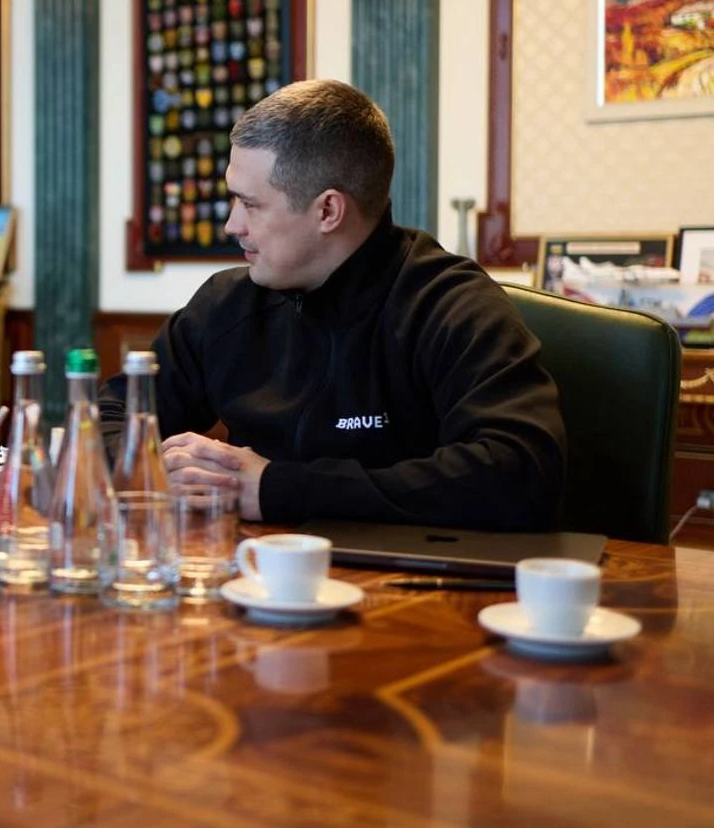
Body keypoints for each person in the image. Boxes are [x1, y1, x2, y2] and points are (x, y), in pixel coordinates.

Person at [99, 79, 565, 531]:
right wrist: (154, 468)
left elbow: (520, 471)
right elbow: (108, 417)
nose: (232, 225)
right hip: (250, 569)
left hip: (407, 575)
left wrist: (276, 488)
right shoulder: (225, 305)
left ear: (328, 211)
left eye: (250, 204)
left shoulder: (452, 306)